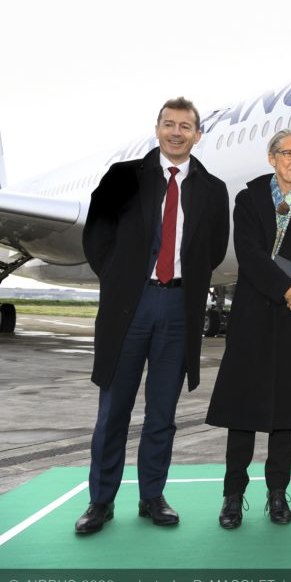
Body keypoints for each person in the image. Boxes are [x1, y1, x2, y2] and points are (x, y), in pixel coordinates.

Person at [76, 97, 229, 534]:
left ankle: (151, 496)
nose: (177, 132)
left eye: (186, 126)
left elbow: (214, 249)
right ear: (157, 129)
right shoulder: (124, 177)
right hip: (131, 305)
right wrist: (121, 280)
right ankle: (100, 502)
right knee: (114, 412)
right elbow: (96, 236)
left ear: (198, 134)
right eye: (169, 124)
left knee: (163, 414)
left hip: (179, 308)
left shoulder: (212, 189)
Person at [206, 129, 291, 528]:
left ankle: (277, 495)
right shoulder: (248, 200)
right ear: (272, 158)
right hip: (254, 319)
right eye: (288, 153)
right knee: (243, 415)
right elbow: (249, 255)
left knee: (286, 417)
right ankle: (233, 497)